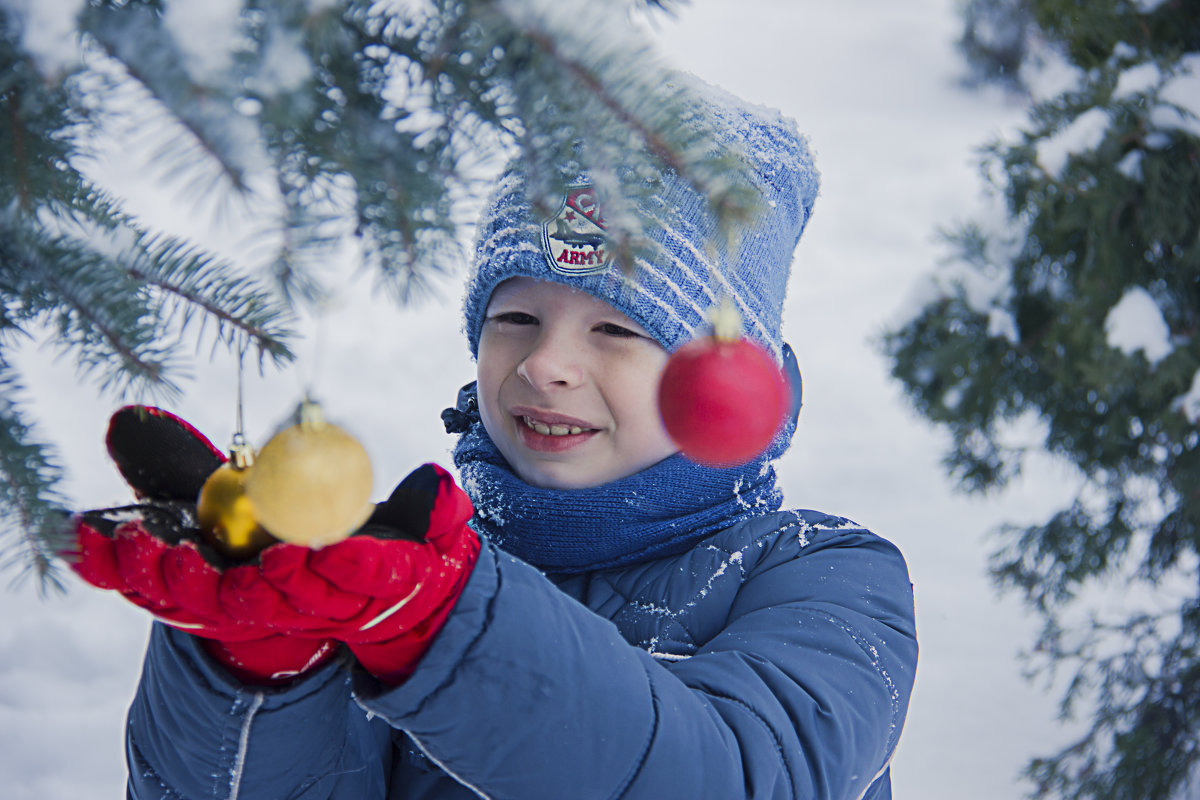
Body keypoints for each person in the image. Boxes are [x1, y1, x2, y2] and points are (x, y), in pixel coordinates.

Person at [71, 83, 917, 800]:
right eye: (515, 318)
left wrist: (446, 626)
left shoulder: (831, 577)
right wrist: (261, 667)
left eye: (618, 330)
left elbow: (734, 773)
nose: (545, 364)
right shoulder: (381, 574)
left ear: (726, 376)